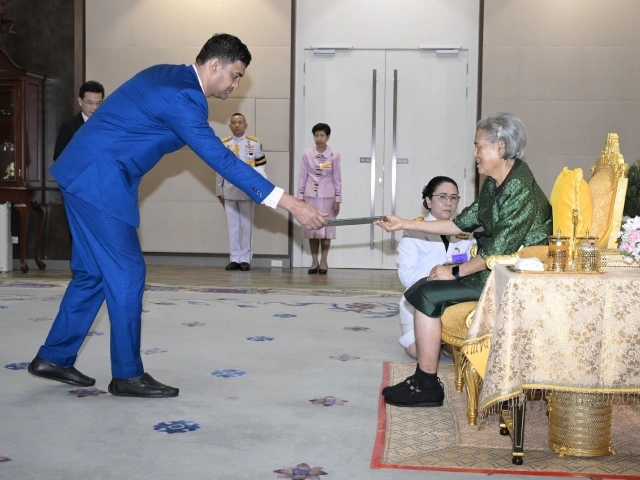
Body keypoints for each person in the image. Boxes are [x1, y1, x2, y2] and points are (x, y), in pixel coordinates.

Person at [28, 33, 327, 398]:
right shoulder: (183, 97)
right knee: (127, 273)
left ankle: (54, 357)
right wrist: (292, 203)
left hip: (83, 173)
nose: (236, 84)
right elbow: (221, 159)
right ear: (214, 65)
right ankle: (127, 375)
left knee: (93, 273)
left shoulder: (169, 76)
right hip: (98, 182)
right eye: (235, 75)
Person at [376, 112, 552, 408]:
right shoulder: (497, 182)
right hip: (496, 270)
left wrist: (455, 271)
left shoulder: (519, 187)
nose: (474, 154)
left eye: (478, 145)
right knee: (421, 290)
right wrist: (404, 223)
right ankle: (424, 381)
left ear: (500, 146)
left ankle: (427, 385)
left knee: (426, 294)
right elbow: (461, 222)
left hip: (513, 277)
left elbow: (498, 251)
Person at [397, 176, 475, 359]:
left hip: (456, 301)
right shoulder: (413, 231)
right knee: (421, 352)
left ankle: (445, 342)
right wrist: (437, 273)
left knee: (465, 355)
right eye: (442, 197)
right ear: (428, 200)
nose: (449, 203)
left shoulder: (467, 232)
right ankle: (440, 342)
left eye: (454, 198)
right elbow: (406, 276)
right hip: (421, 301)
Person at [216, 113, 266, 271]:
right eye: (234, 122)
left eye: (240, 122)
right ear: (230, 126)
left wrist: (257, 189)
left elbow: (261, 167)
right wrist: (219, 190)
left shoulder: (254, 143)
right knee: (232, 227)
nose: (237, 125)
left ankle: (245, 259)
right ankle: (234, 258)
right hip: (229, 190)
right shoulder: (224, 144)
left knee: (246, 226)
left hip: (247, 191)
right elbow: (219, 169)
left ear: (246, 125)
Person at [297, 123, 342, 274]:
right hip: (310, 196)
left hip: (328, 197)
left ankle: (324, 261)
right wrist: (300, 198)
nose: (319, 138)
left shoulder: (334, 155)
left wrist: (337, 200)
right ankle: (314, 261)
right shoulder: (307, 154)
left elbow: (337, 179)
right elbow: (302, 177)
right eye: (316, 135)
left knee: (326, 229)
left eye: (322, 135)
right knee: (312, 229)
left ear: (327, 137)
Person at [53, 81, 105, 161]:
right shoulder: (68, 126)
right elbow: (58, 156)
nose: (94, 107)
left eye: (98, 103)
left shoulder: (106, 125)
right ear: (80, 101)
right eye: (90, 103)